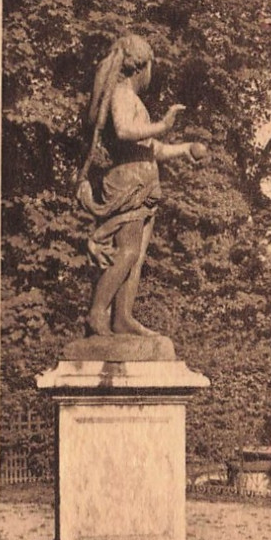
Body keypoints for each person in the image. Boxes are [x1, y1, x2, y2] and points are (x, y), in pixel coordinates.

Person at [76, 34, 205, 337]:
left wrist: (184, 148)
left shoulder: (133, 100)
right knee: (128, 252)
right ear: (142, 66)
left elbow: (152, 148)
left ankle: (122, 317)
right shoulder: (121, 93)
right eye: (151, 66)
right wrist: (163, 124)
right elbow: (123, 131)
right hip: (127, 184)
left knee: (136, 257)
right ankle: (97, 314)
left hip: (142, 183)